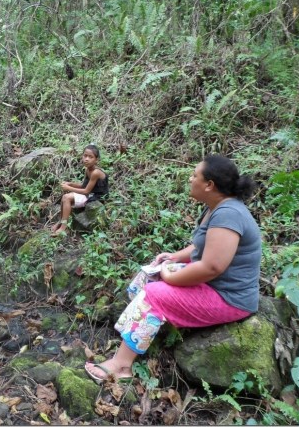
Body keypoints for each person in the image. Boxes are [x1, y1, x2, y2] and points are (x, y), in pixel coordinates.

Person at [85, 155, 261, 383]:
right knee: (150, 273)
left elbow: (212, 267)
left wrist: (170, 278)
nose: (190, 179)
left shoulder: (229, 214)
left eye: (195, 175)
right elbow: (202, 246)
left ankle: (121, 366)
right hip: (215, 285)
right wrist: (173, 258)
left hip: (229, 297)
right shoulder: (216, 207)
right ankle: (136, 334)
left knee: (154, 294)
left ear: (209, 185)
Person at [51, 144, 109, 235]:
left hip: (97, 197)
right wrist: (70, 184)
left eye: (90, 157)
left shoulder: (96, 172)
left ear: (96, 160)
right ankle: (60, 222)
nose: (86, 159)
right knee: (64, 197)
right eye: (85, 155)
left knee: (66, 197)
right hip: (90, 194)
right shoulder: (88, 170)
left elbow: (86, 191)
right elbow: (83, 186)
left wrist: (69, 188)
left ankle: (63, 227)